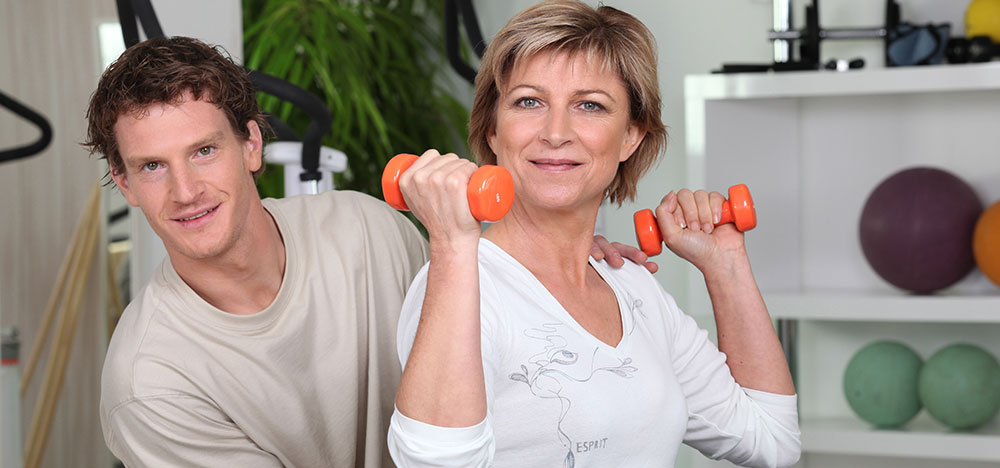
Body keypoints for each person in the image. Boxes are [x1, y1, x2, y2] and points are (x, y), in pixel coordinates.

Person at [85, 36, 649, 467]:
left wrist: (559, 262)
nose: (186, 192)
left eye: (204, 151)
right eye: (152, 166)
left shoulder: (365, 229)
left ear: (252, 144)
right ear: (126, 183)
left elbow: (484, 320)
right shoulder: (150, 385)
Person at [387, 2, 801, 468]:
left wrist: (726, 267)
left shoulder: (634, 287)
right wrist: (451, 244)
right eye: (529, 101)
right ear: (493, 129)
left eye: (589, 105)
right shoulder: (459, 281)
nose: (556, 132)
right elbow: (433, 464)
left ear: (631, 136)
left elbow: (773, 442)